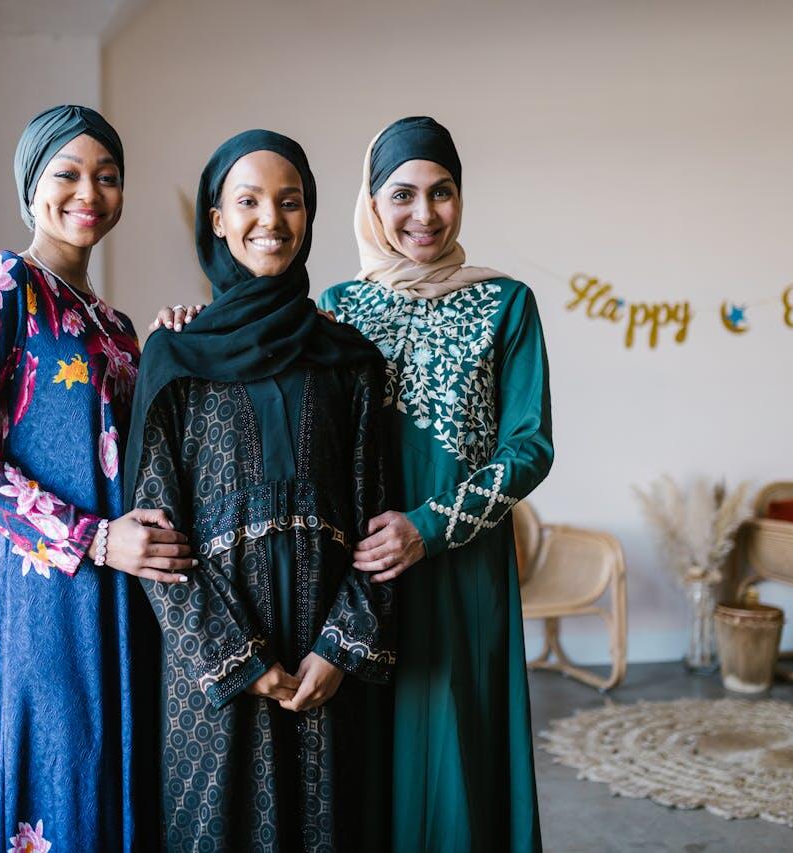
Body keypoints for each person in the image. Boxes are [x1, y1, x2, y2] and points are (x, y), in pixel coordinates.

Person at [0, 105, 193, 853]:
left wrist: (172, 346)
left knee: (109, 775)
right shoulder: (6, 281)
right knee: (53, 785)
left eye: (107, 177)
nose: (90, 192)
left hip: (121, 592)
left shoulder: (117, 324)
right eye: (68, 173)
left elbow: (134, 450)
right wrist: (92, 537)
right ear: (31, 184)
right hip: (43, 594)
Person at [125, 130, 395, 852]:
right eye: (247, 201)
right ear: (216, 219)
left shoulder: (349, 360)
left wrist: (341, 647)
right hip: (211, 680)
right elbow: (152, 535)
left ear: (309, 217)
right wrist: (236, 660)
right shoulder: (174, 356)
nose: (269, 220)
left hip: (324, 664)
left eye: (290, 201)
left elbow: (378, 523)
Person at [319, 116, 554, 852]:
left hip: (461, 565)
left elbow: (530, 446)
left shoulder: (505, 302)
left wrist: (430, 526)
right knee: (368, 759)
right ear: (371, 202)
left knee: (459, 760)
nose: (424, 213)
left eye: (442, 191)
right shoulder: (334, 310)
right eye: (402, 194)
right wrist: (193, 325)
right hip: (362, 574)